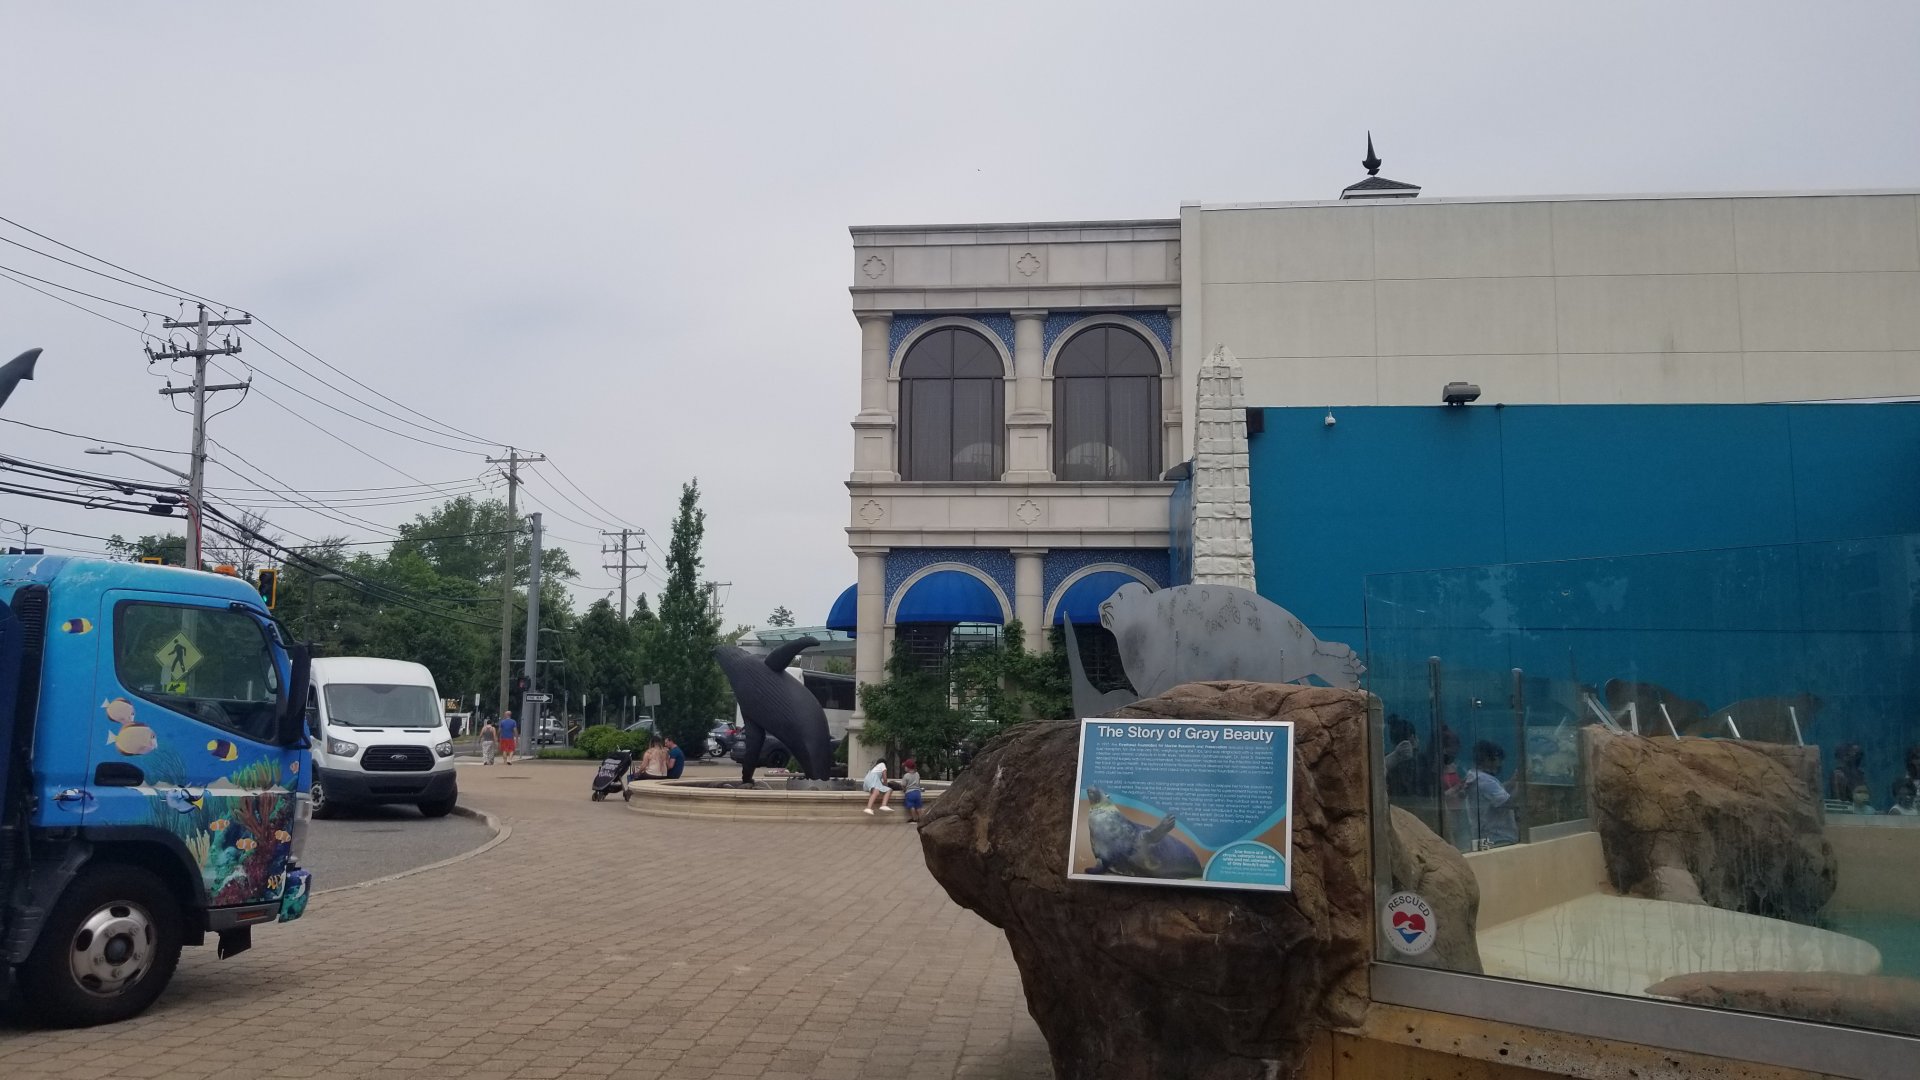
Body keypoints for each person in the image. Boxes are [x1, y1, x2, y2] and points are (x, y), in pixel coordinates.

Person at [1463, 740, 1518, 850]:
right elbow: (1509, 802)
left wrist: (1513, 781)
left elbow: (1496, 792)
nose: (1500, 764)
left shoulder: (1474, 775)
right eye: (1498, 760)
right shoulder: (1485, 781)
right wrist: (1522, 783)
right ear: (1488, 759)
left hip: (1486, 836)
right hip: (1498, 838)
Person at [899, 757, 924, 823]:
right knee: (918, 807)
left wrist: (904, 790)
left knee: (911, 806)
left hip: (909, 793)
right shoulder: (917, 774)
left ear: (908, 768)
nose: (904, 768)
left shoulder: (906, 776)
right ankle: (921, 819)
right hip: (917, 793)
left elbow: (903, 785)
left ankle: (914, 819)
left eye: (905, 767)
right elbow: (918, 783)